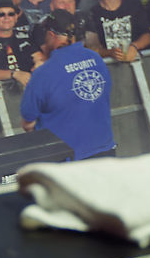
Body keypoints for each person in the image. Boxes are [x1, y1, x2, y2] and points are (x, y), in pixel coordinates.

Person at [18, 10, 115, 159]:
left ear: (50, 34)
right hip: (105, 151)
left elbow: (28, 123)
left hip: (67, 159)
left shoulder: (43, 73)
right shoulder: (95, 58)